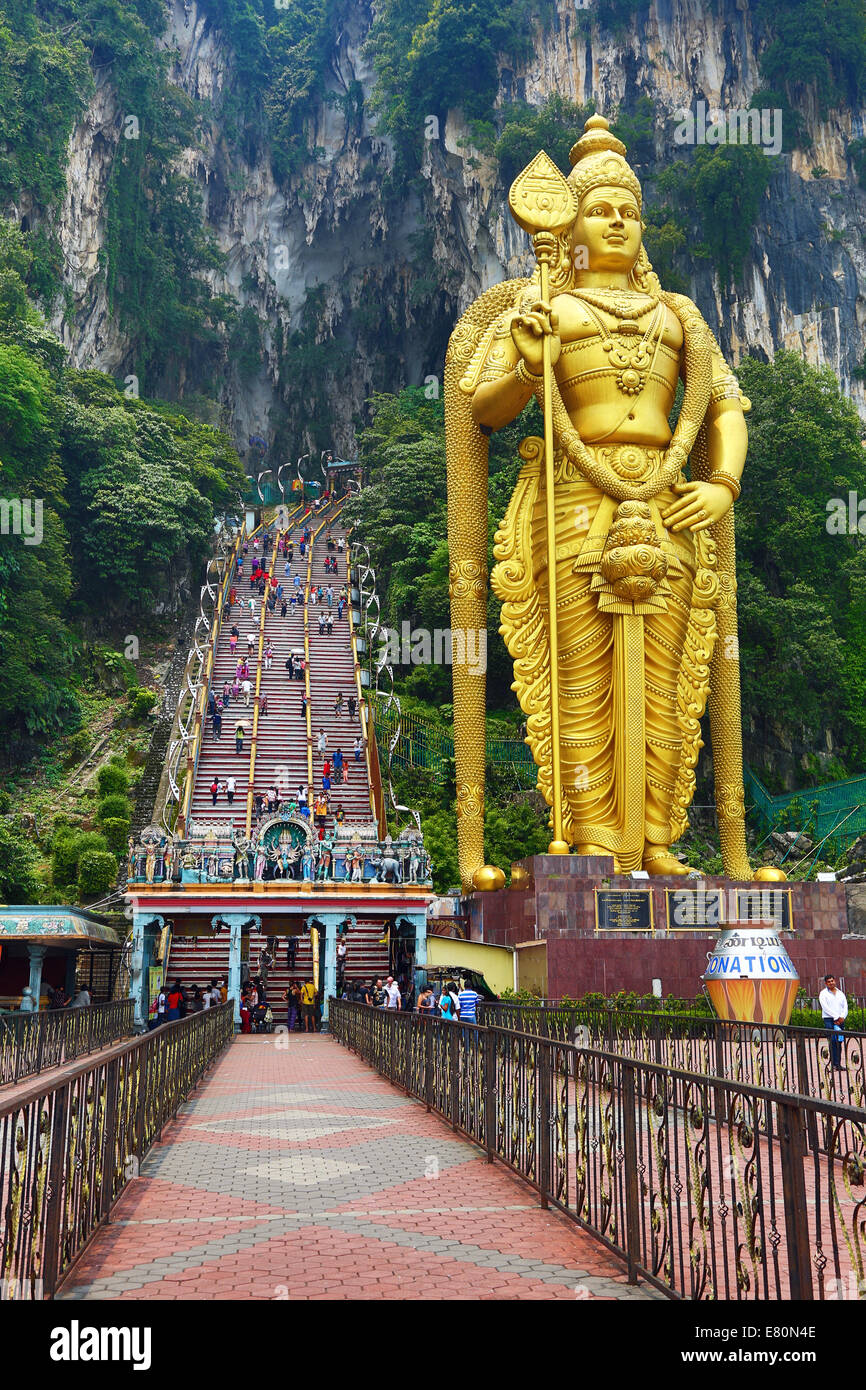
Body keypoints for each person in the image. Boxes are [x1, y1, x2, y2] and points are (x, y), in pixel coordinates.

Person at [819, 974, 848, 1071]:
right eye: (829, 981)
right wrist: (836, 1017)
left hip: (840, 1020)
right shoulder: (823, 994)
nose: (831, 983)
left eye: (832, 981)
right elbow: (825, 1007)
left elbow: (845, 1007)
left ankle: (838, 1064)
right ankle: (833, 1064)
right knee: (832, 1042)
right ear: (826, 983)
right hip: (829, 1020)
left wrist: (842, 1017)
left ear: (835, 981)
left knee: (839, 1042)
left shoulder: (840, 993)